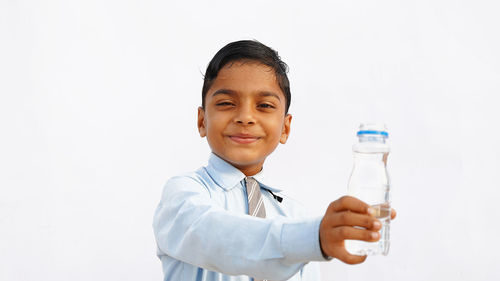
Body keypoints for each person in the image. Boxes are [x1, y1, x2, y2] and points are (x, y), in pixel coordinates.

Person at [152, 40, 396, 281]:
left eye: (264, 105)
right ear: (202, 121)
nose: (245, 117)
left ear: (285, 129)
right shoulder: (183, 196)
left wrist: (314, 237)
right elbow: (217, 237)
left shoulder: (295, 216)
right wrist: (313, 238)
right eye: (226, 103)